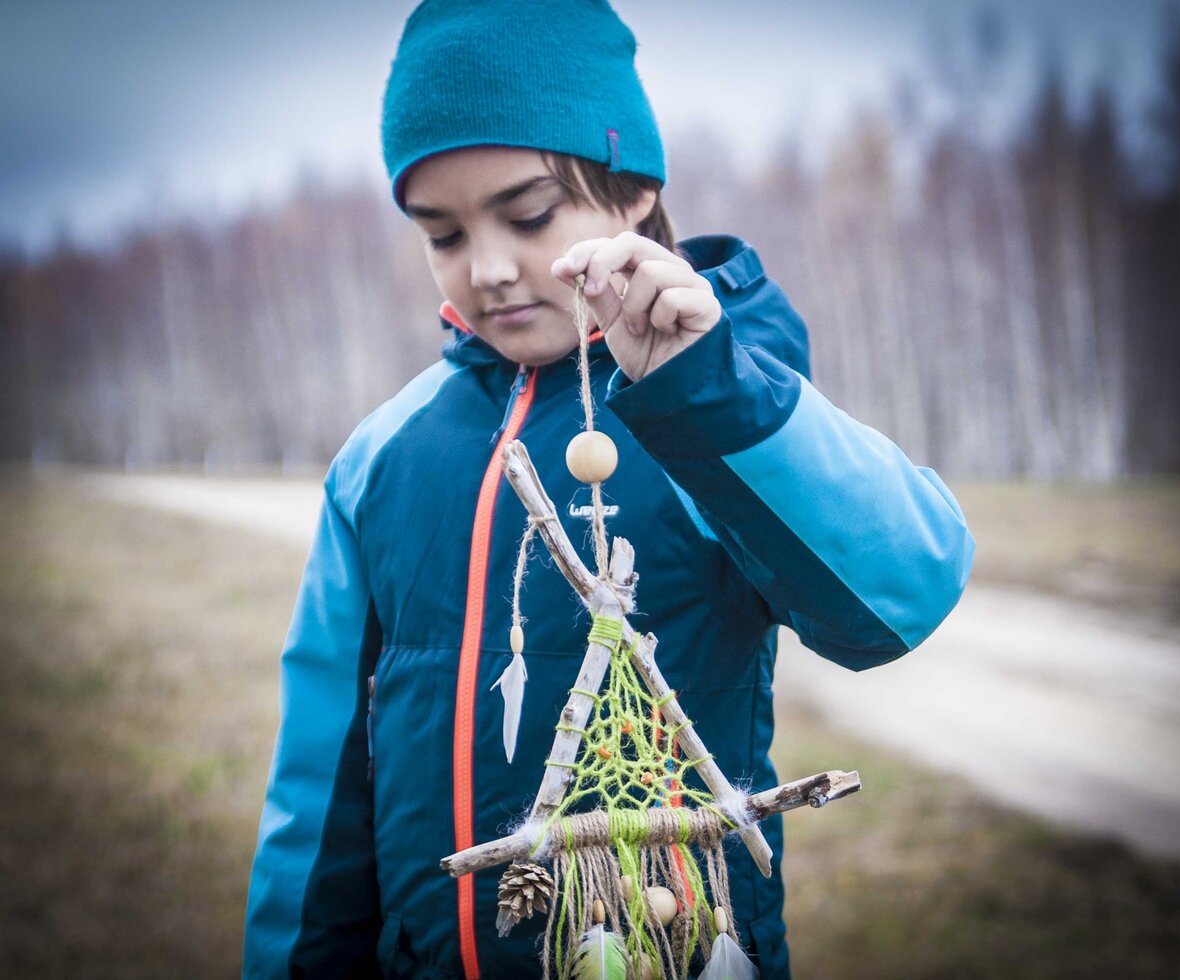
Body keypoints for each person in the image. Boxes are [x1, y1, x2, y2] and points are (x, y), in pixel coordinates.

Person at [242, 1, 975, 977]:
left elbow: (898, 597)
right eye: (442, 231)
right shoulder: (384, 455)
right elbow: (319, 792)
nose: (489, 267)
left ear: (631, 191)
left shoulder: (717, 398)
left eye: (528, 213)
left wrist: (706, 391)